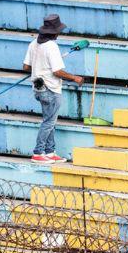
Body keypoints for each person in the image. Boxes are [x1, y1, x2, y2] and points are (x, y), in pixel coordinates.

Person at [23, 14, 83, 164]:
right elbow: (57, 72)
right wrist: (75, 78)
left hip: (38, 89)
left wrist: (40, 65)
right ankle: (38, 153)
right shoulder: (52, 47)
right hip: (51, 89)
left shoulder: (33, 44)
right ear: (54, 32)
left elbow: (26, 67)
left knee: (50, 120)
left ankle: (50, 152)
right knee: (49, 122)